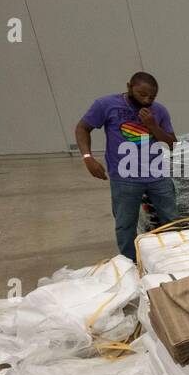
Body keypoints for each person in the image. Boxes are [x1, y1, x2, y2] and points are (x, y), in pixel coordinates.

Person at [76, 72, 178, 261]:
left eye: (152, 97)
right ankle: (130, 264)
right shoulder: (106, 105)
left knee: (171, 220)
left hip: (158, 176)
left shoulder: (159, 111)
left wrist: (152, 125)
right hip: (124, 178)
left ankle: (171, 259)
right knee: (125, 225)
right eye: (142, 94)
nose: (147, 100)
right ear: (129, 86)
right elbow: (82, 127)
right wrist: (88, 157)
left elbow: (172, 143)